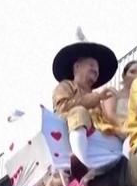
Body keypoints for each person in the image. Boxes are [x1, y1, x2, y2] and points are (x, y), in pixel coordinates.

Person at [51, 38, 125, 174]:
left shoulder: (100, 97)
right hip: (78, 133)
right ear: (77, 67)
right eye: (91, 65)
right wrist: (95, 98)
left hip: (102, 137)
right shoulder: (66, 86)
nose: (95, 69)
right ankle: (83, 161)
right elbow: (62, 108)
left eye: (97, 67)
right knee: (78, 112)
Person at [105, 60, 137, 129]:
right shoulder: (113, 93)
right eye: (132, 72)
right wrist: (126, 129)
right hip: (118, 131)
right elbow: (110, 115)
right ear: (124, 75)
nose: (136, 76)